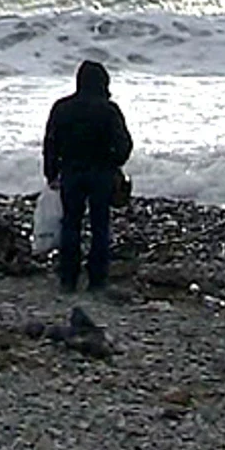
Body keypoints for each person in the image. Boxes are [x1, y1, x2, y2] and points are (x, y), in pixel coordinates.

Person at [43, 59, 133, 293]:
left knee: (70, 224)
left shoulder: (62, 108)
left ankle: (68, 279)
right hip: (101, 173)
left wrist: (51, 172)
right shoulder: (109, 110)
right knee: (100, 226)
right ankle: (97, 280)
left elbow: (50, 143)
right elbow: (125, 144)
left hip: (71, 172)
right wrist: (115, 163)